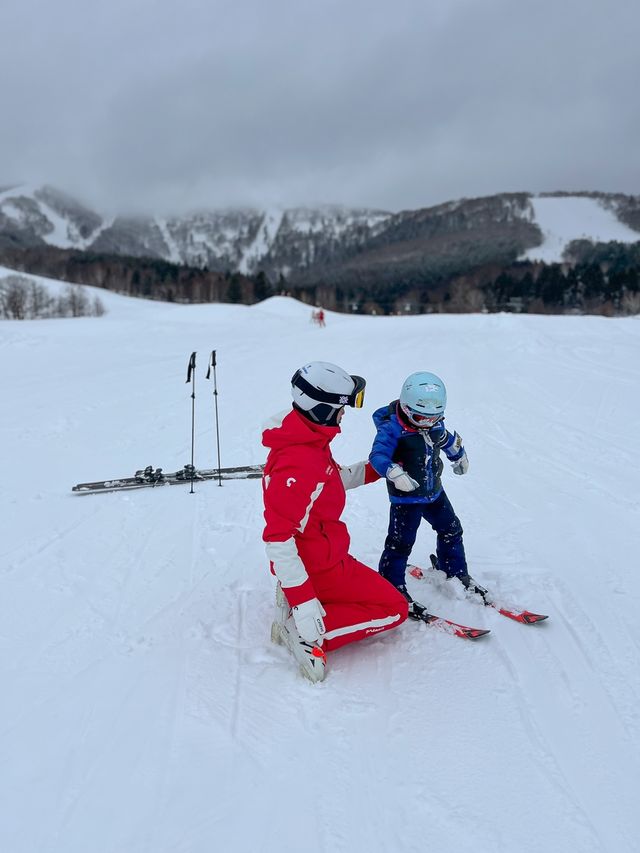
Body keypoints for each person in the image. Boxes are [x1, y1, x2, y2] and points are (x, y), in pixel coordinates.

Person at [262, 361, 409, 682]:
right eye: (343, 407)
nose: (346, 413)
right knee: (395, 609)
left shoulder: (306, 438)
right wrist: (304, 605)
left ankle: (305, 599)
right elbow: (277, 538)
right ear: (323, 409)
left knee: (376, 596)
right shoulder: (298, 463)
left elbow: (327, 482)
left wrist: (376, 470)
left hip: (328, 554)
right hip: (319, 565)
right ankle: (305, 634)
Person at [368, 371, 470, 618]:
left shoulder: (434, 424)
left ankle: (454, 571)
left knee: (451, 529)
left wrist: (459, 454)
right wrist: (393, 472)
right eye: (420, 417)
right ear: (405, 406)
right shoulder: (392, 429)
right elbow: (377, 456)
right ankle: (392, 585)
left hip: (434, 492)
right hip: (407, 498)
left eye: (434, 418)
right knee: (400, 543)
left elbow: (445, 439)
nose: (427, 423)